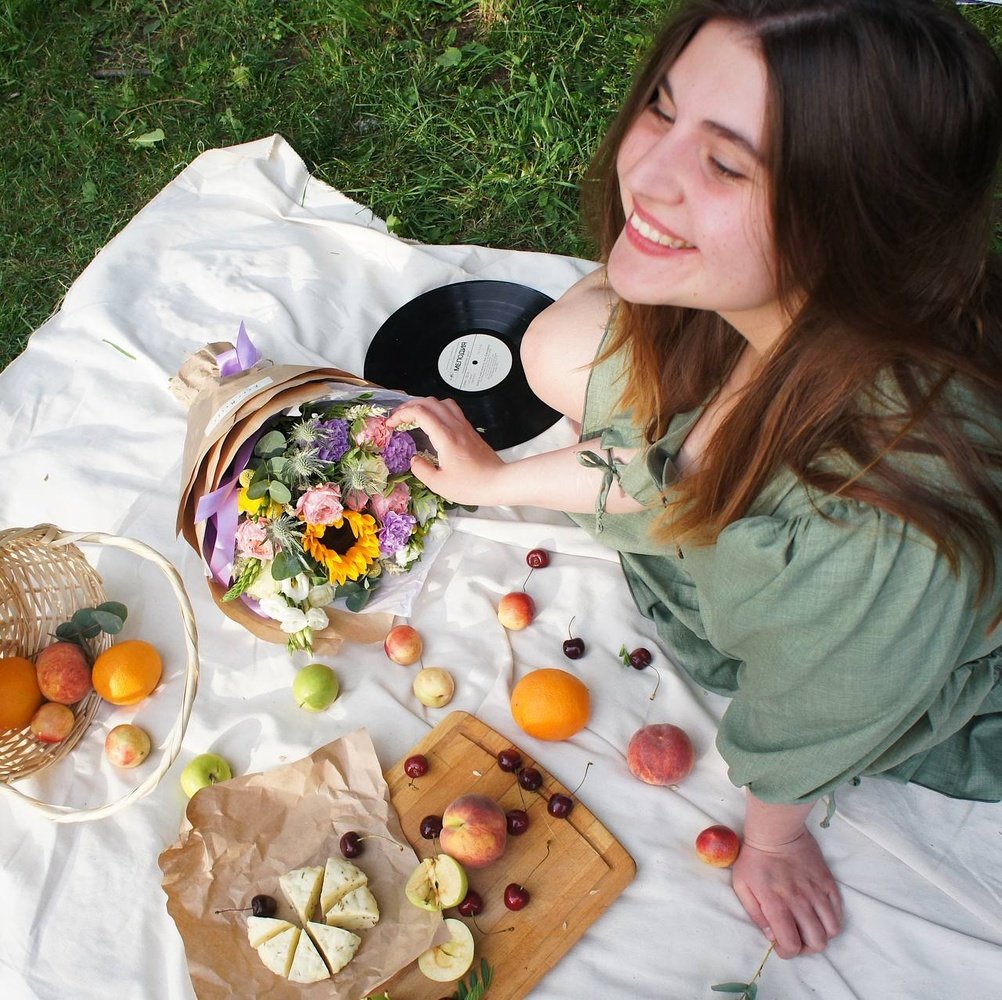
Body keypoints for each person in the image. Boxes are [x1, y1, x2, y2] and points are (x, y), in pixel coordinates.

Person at [388, 0, 1002, 961]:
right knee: (562, 342)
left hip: (889, 649)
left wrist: (774, 840)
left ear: (861, 221)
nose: (650, 176)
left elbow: (812, 716)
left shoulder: (879, 534)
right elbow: (668, 465)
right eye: (663, 109)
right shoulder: (783, 305)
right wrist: (485, 486)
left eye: (725, 164)